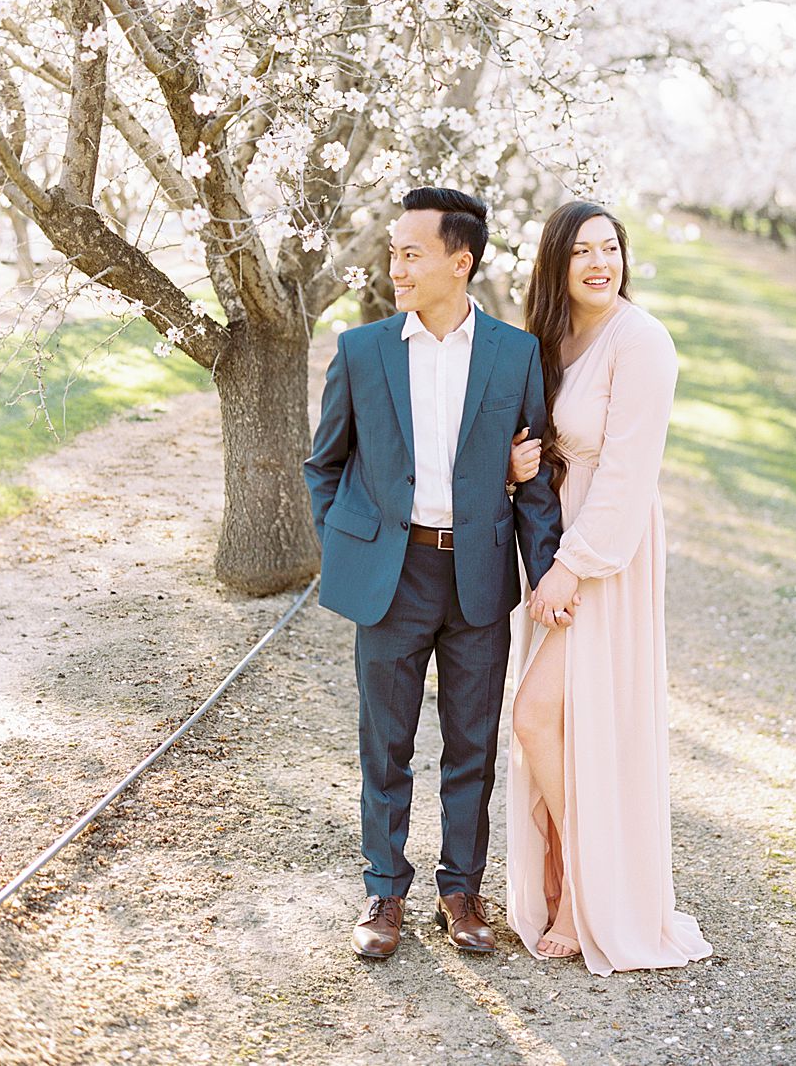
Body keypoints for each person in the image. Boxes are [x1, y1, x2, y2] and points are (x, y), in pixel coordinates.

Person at [302, 187, 567, 960]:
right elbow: (326, 463)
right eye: (393, 251)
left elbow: (536, 480)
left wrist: (546, 576)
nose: (396, 266)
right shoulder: (363, 349)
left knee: (470, 745)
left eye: (410, 252)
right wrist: (347, 544)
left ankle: (461, 890)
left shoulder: (516, 355)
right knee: (384, 743)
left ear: (462, 261)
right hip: (393, 573)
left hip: (478, 576)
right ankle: (384, 890)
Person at [503, 200, 712, 973]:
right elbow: (549, 443)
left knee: (535, 717)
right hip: (561, 542)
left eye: (611, 248)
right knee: (556, 724)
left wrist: (571, 564)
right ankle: (570, 879)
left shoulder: (642, 341)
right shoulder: (555, 337)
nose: (600, 262)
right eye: (583, 251)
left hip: (603, 555)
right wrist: (518, 466)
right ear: (557, 263)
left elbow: (626, 474)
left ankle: (582, 893)